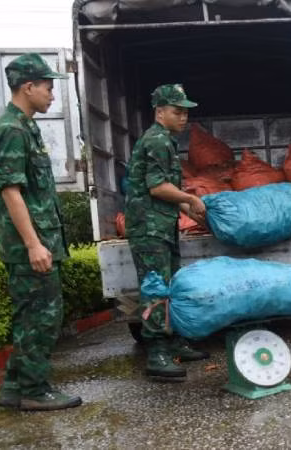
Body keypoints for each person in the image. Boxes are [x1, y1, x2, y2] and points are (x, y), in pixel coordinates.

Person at [0, 53, 82, 410]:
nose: (52, 95)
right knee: (43, 318)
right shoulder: (12, 130)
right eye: (48, 88)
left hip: (39, 241)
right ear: (28, 87)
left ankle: (15, 387)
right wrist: (33, 245)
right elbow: (10, 191)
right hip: (28, 246)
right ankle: (34, 392)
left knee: (31, 315)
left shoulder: (25, 127)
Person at [125, 84, 209, 379]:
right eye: (177, 111)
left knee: (171, 285)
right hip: (149, 229)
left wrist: (189, 210)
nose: (183, 117)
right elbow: (158, 187)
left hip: (161, 225)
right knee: (156, 288)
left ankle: (173, 342)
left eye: (186, 112)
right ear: (160, 112)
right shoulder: (157, 141)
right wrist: (190, 199)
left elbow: (166, 190)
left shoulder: (166, 140)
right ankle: (157, 353)